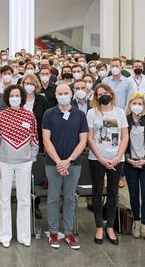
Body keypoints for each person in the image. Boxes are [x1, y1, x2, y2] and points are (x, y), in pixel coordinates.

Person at [0, 85, 39, 248]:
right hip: (4, 162)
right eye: (12, 95)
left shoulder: (29, 115)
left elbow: (35, 140)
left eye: (17, 95)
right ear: (7, 97)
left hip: (24, 163)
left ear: (22, 97)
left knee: (24, 199)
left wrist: (31, 159)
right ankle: (4, 235)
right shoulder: (1, 116)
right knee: (4, 198)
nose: (14, 97)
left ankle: (24, 236)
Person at [42, 84, 88, 249]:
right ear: (55, 95)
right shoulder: (48, 114)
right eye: (60, 93)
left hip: (73, 164)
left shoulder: (80, 115)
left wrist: (68, 160)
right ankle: (53, 232)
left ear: (72, 94)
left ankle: (69, 232)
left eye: (66, 93)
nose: (63, 95)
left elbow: (83, 140)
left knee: (69, 199)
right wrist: (58, 161)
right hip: (52, 164)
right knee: (53, 198)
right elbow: (46, 140)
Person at [86, 83, 129, 245]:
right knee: (97, 192)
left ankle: (110, 226)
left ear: (111, 94)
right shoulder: (92, 113)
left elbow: (125, 136)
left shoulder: (120, 113)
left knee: (113, 193)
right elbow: (90, 138)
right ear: (96, 97)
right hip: (97, 159)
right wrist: (101, 158)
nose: (103, 95)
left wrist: (118, 157)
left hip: (117, 159)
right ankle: (98, 226)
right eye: (99, 94)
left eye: (105, 92)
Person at [124, 93, 145, 244]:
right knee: (133, 194)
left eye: (140, 103)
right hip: (130, 164)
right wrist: (128, 159)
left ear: (144, 106)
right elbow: (121, 142)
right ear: (130, 104)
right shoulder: (125, 121)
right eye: (134, 103)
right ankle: (136, 224)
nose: (137, 106)